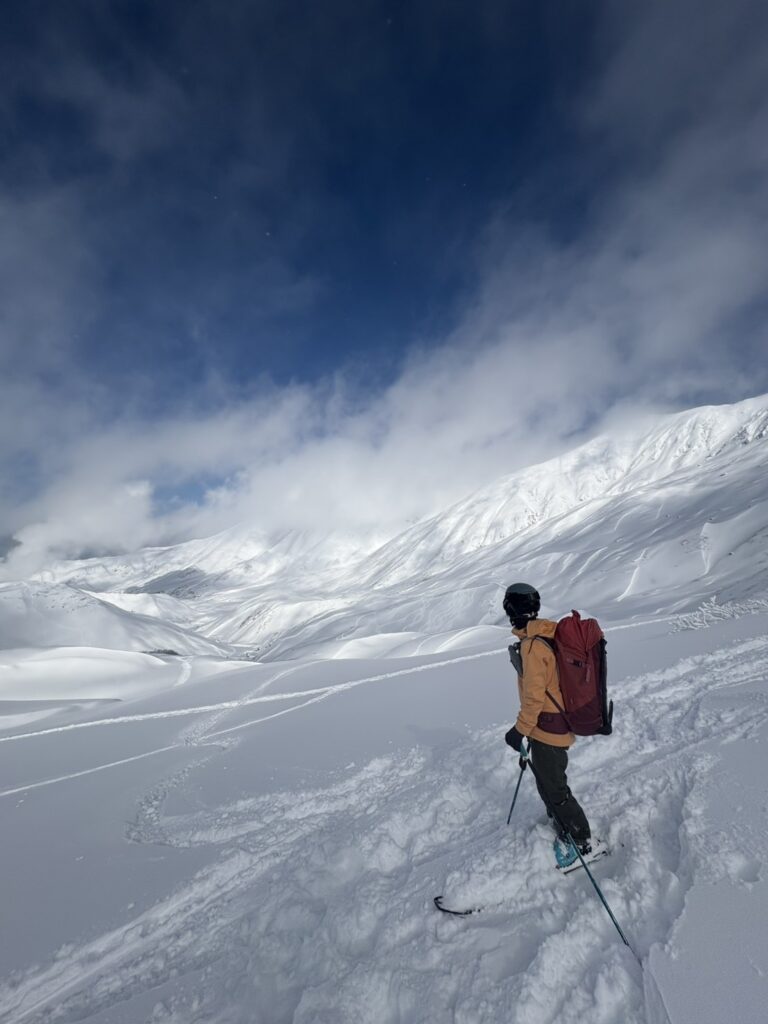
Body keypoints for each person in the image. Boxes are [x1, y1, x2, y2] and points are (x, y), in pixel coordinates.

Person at [501, 582, 592, 863]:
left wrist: (519, 730)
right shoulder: (548, 633)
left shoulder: (532, 647)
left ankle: (581, 840)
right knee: (546, 780)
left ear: (511, 610)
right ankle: (560, 821)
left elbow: (534, 699)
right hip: (554, 721)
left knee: (555, 787)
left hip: (548, 727)